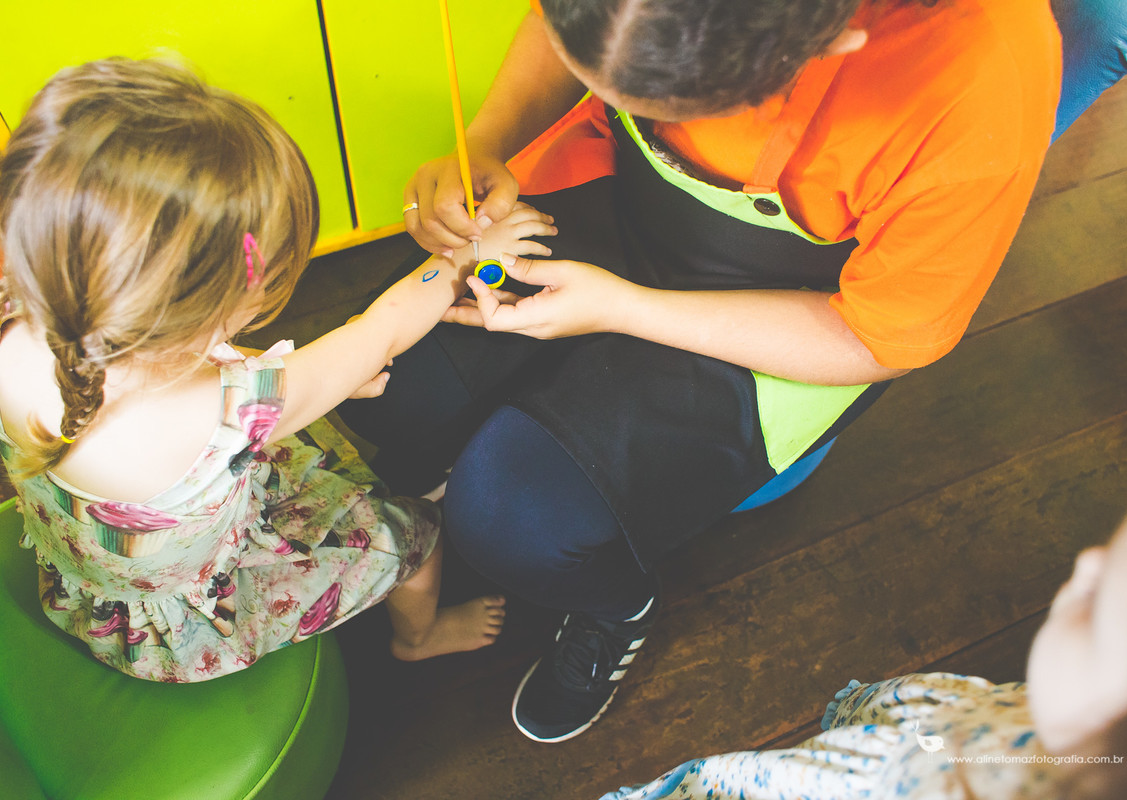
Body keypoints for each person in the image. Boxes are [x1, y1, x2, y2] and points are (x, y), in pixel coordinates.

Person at [337, 0, 1061, 741]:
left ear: (833, 41)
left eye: (653, 101)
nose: (608, 103)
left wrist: (626, 310)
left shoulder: (981, 74)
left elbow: (880, 339)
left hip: (799, 309)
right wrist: (489, 139)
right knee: (388, 382)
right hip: (621, 190)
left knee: (509, 520)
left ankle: (615, 610)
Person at [0, 58, 557, 682]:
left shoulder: (8, 318)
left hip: (102, 586)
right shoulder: (235, 409)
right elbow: (379, 331)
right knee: (417, 539)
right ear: (203, 314)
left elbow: (177, 386)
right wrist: (469, 255)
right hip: (210, 611)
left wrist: (317, 377)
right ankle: (419, 637)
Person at [598, 469, 1127, 800]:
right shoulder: (1104, 746)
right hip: (950, 729)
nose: (1088, 563)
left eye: (1094, 605)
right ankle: (861, 716)